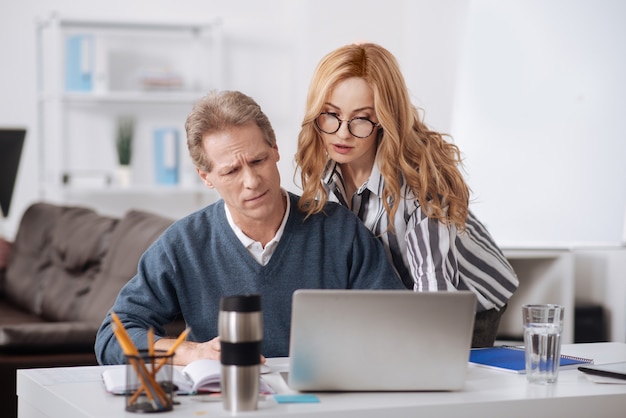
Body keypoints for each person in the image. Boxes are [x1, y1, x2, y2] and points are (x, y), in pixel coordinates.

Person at [95, 90, 403, 365]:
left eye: (258, 161)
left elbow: (396, 321)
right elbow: (113, 336)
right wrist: (193, 353)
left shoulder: (339, 230)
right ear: (206, 177)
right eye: (231, 171)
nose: (252, 182)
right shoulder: (183, 244)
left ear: (275, 150)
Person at [294, 43, 519, 347]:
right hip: (403, 297)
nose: (342, 133)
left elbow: (435, 293)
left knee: (440, 380)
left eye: (361, 118)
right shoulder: (329, 168)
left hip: (466, 299)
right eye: (331, 114)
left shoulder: (418, 188)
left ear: (385, 120)